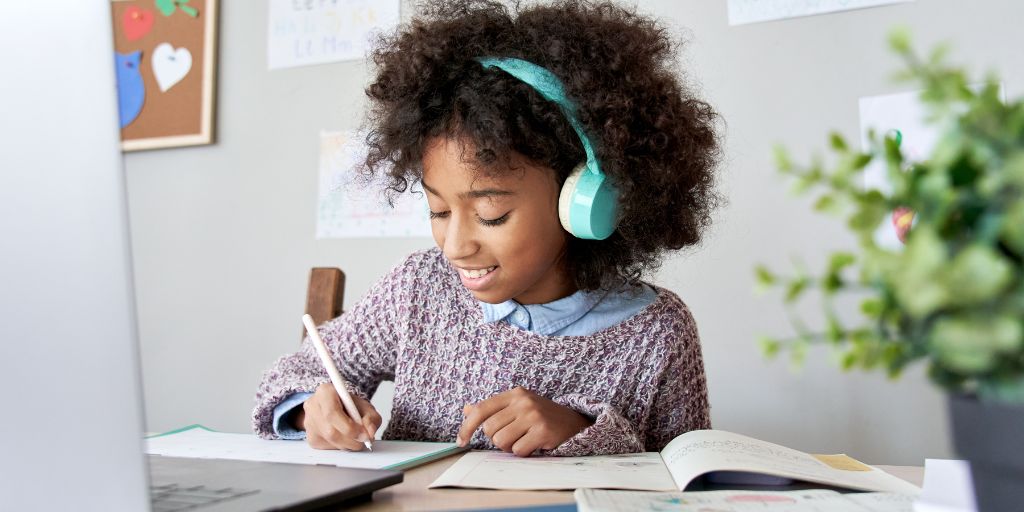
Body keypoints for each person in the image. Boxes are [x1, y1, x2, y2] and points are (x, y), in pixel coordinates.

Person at [252, 0, 721, 457]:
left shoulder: (656, 333)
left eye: (491, 215)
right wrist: (312, 408)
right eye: (438, 211)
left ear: (583, 201)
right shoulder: (419, 289)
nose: (455, 246)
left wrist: (582, 430)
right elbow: (294, 373)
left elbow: (689, 474)